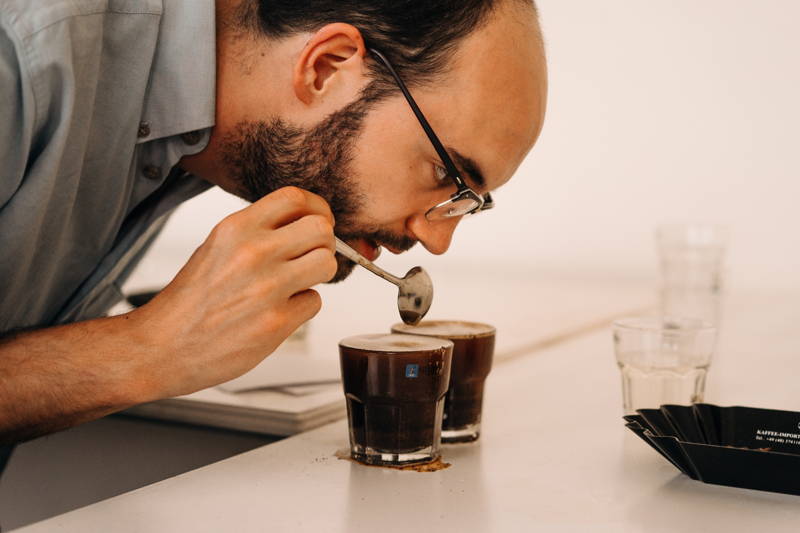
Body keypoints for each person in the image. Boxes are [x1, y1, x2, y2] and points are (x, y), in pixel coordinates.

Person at [0, 0, 547, 452]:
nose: (436, 238)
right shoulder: (23, 50)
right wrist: (145, 350)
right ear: (326, 67)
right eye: (443, 173)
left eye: (466, 202)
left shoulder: (213, 139)